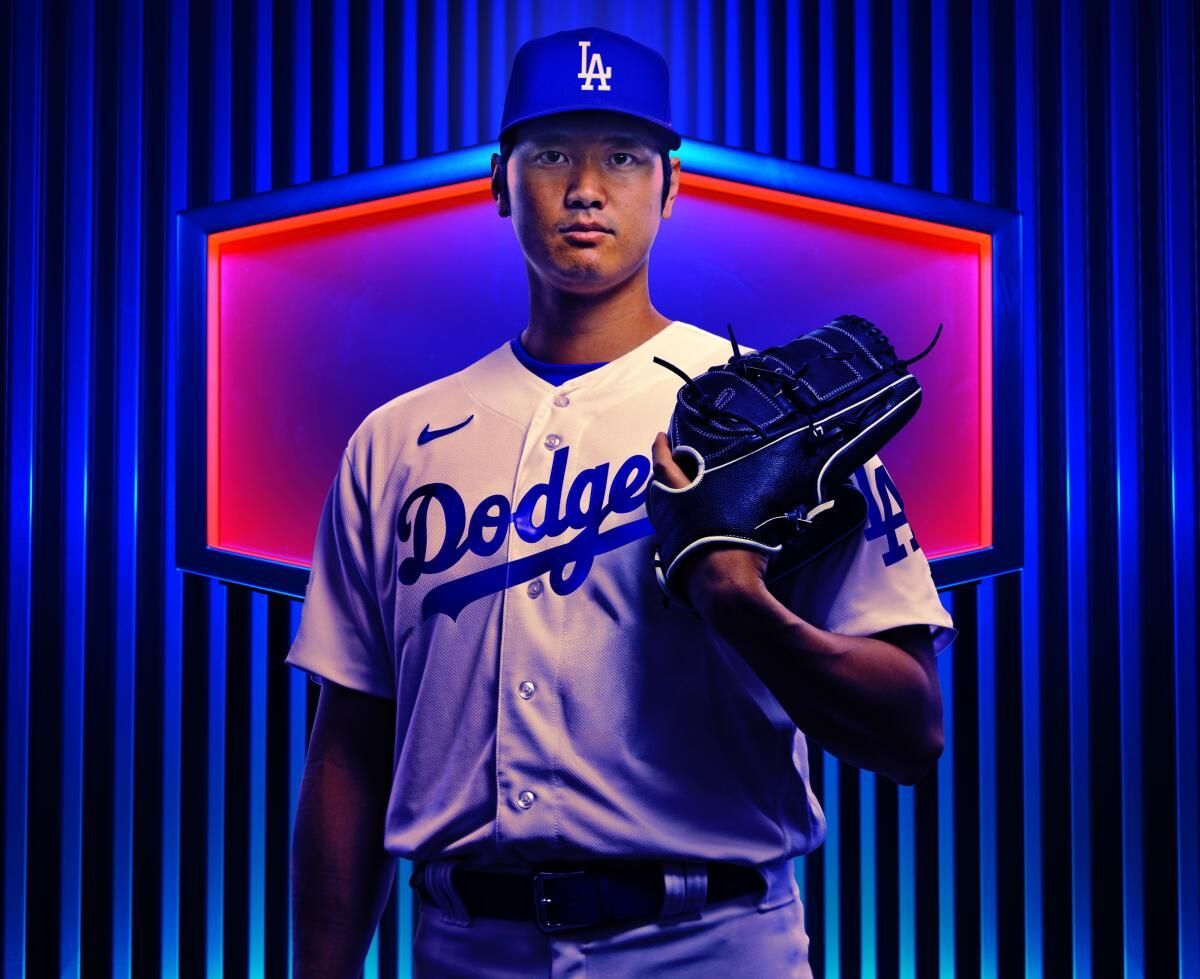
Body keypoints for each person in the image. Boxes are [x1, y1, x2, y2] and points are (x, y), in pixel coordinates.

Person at [285, 25, 957, 979]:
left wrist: (739, 603)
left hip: (715, 947)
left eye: (624, 156)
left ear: (672, 184)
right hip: (464, 951)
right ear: (497, 180)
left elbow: (911, 732)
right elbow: (349, 746)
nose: (587, 186)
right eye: (553, 152)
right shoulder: (394, 441)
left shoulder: (777, 417)